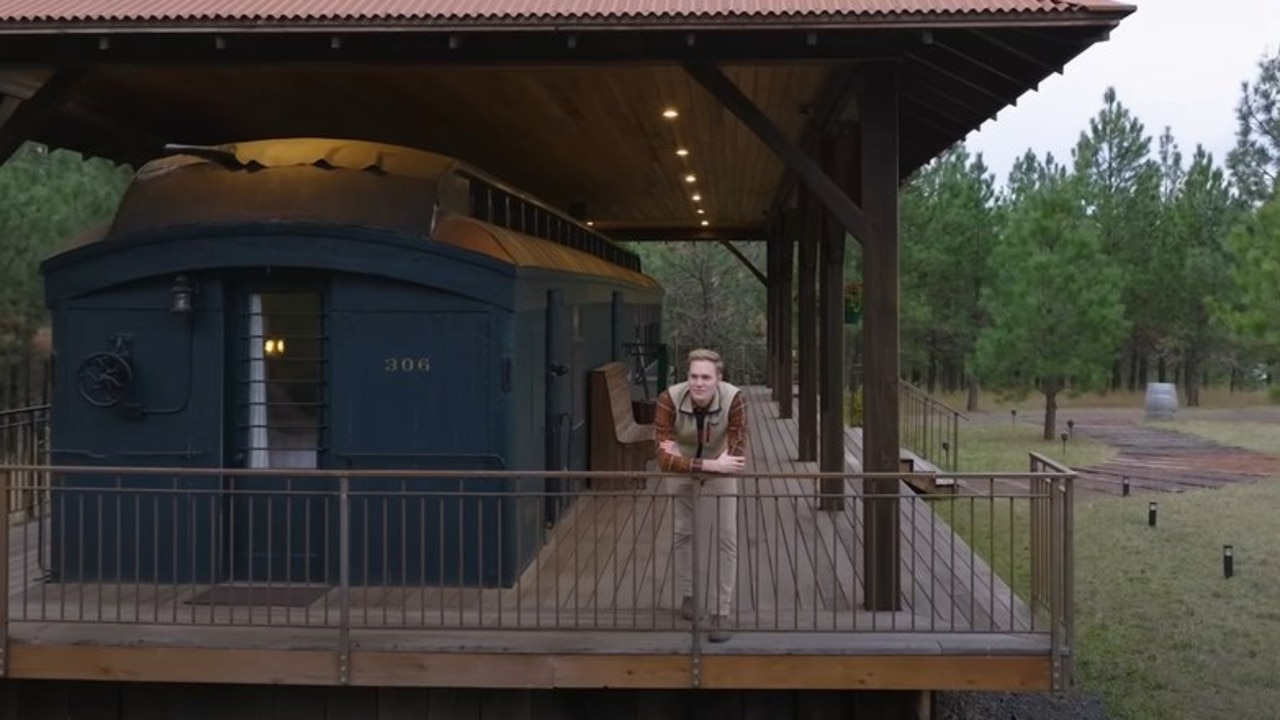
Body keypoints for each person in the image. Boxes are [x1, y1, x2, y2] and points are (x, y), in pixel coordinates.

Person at [653, 348, 747, 643]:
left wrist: (710, 463)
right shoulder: (669, 398)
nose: (699, 383)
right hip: (691, 469)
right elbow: (663, 459)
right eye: (694, 376)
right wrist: (707, 463)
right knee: (683, 532)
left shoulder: (735, 399)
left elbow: (737, 454)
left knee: (726, 537)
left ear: (718, 379)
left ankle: (721, 611)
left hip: (721, 470)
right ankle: (690, 595)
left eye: (706, 377)